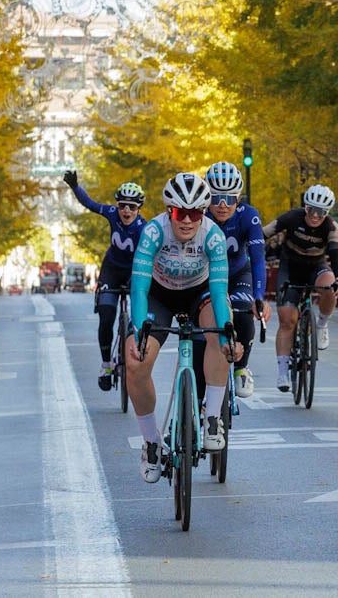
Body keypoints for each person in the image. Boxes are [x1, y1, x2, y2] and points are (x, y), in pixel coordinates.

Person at [126, 172, 241, 482]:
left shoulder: (212, 236)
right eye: (180, 213)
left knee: (220, 331)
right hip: (158, 295)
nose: (188, 220)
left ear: (203, 213)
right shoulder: (153, 232)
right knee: (135, 362)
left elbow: (219, 290)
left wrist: (227, 332)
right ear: (169, 211)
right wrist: (138, 331)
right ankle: (152, 442)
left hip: (199, 294)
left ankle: (212, 417)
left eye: (195, 213)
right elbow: (139, 288)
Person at [63, 169, 148, 391]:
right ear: (117, 206)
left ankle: (133, 347)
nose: (126, 211)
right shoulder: (111, 213)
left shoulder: (145, 228)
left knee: (139, 311)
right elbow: (90, 204)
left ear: (139, 209)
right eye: (122, 206)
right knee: (106, 314)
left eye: (132, 207)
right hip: (111, 269)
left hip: (134, 271)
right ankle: (106, 365)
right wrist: (75, 187)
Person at [264, 183, 338, 392]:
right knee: (287, 320)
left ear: (327, 213)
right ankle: (283, 372)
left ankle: (322, 323)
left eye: (321, 212)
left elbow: (335, 255)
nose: (315, 215)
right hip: (290, 268)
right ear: (305, 207)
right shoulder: (292, 217)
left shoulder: (331, 227)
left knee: (329, 286)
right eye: (311, 209)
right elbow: (264, 233)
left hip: (316, 267)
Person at [203, 161, 265, 399]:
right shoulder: (198, 215)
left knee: (243, 313)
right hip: (206, 277)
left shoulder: (249, 216)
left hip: (238, 274)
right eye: (216, 197)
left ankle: (241, 368)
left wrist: (258, 297)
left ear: (238, 199)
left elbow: (258, 259)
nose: (222, 205)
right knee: (204, 327)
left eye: (229, 199)